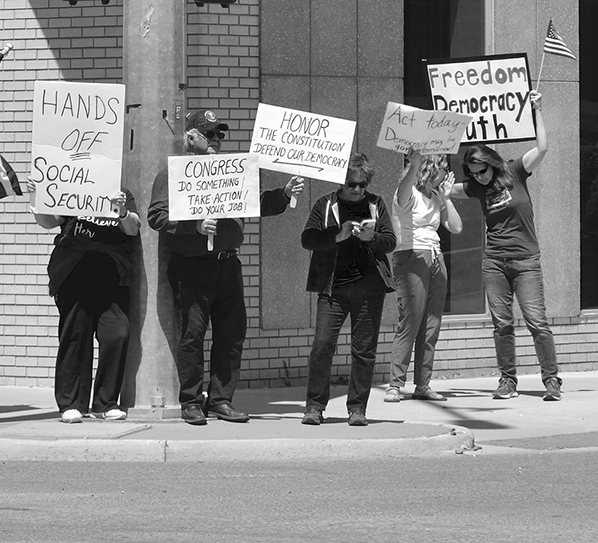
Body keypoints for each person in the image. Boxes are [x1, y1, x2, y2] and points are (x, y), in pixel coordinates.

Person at [147, 109, 304, 425]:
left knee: (231, 335)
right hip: (192, 268)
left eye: (220, 134)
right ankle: (191, 401)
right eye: (210, 133)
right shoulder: (172, 173)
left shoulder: (231, 171)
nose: (217, 139)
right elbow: (157, 217)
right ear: (190, 137)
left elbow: (255, 201)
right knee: (192, 337)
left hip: (228, 266)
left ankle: (220, 400)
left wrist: (284, 195)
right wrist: (194, 226)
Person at [452, 91, 563, 401]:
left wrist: (537, 109)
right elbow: (442, 188)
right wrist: (426, 153)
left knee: (536, 321)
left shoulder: (514, 171)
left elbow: (543, 148)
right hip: (494, 262)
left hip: (526, 259)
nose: (479, 177)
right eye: (473, 174)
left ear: (491, 163)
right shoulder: (475, 187)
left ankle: (551, 380)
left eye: (482, 171)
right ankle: (507, 381)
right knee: (501, 323)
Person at [298, 153, 394, 426]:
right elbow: (308, 239)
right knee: (322, 347)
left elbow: (390, 242)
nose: (357, 190)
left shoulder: (376, 204)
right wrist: (336, 236)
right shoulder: (325, 204)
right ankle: (315, 407)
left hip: (369, 289)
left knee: (364, 351)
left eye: (362, 184)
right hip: (333, 290)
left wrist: (371, 237)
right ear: (342, 182)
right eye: (352, 184)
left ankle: (358, 409)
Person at [32, 184, 138, 423]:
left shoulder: (123, 193)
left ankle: (105, 403)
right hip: (75, 272)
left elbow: (133, 228)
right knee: (75, 337)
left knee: (117, 333)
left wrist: (121, 211)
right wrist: (35, 199)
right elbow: (49, 221)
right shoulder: (73, 186)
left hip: (112, 274)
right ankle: (71, 404)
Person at [384, 149, 462, 404]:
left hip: (435, 256)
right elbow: (404, 188)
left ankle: (423, 383)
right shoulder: (408, 192)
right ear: (431, 168)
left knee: (431, 324)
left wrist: (447, 199)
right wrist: (414, 164)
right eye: (443, 167)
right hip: (411, 254)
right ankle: (395, 384)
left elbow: (457, 227)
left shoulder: (435, 197)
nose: (447, 174)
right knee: (411, 319)